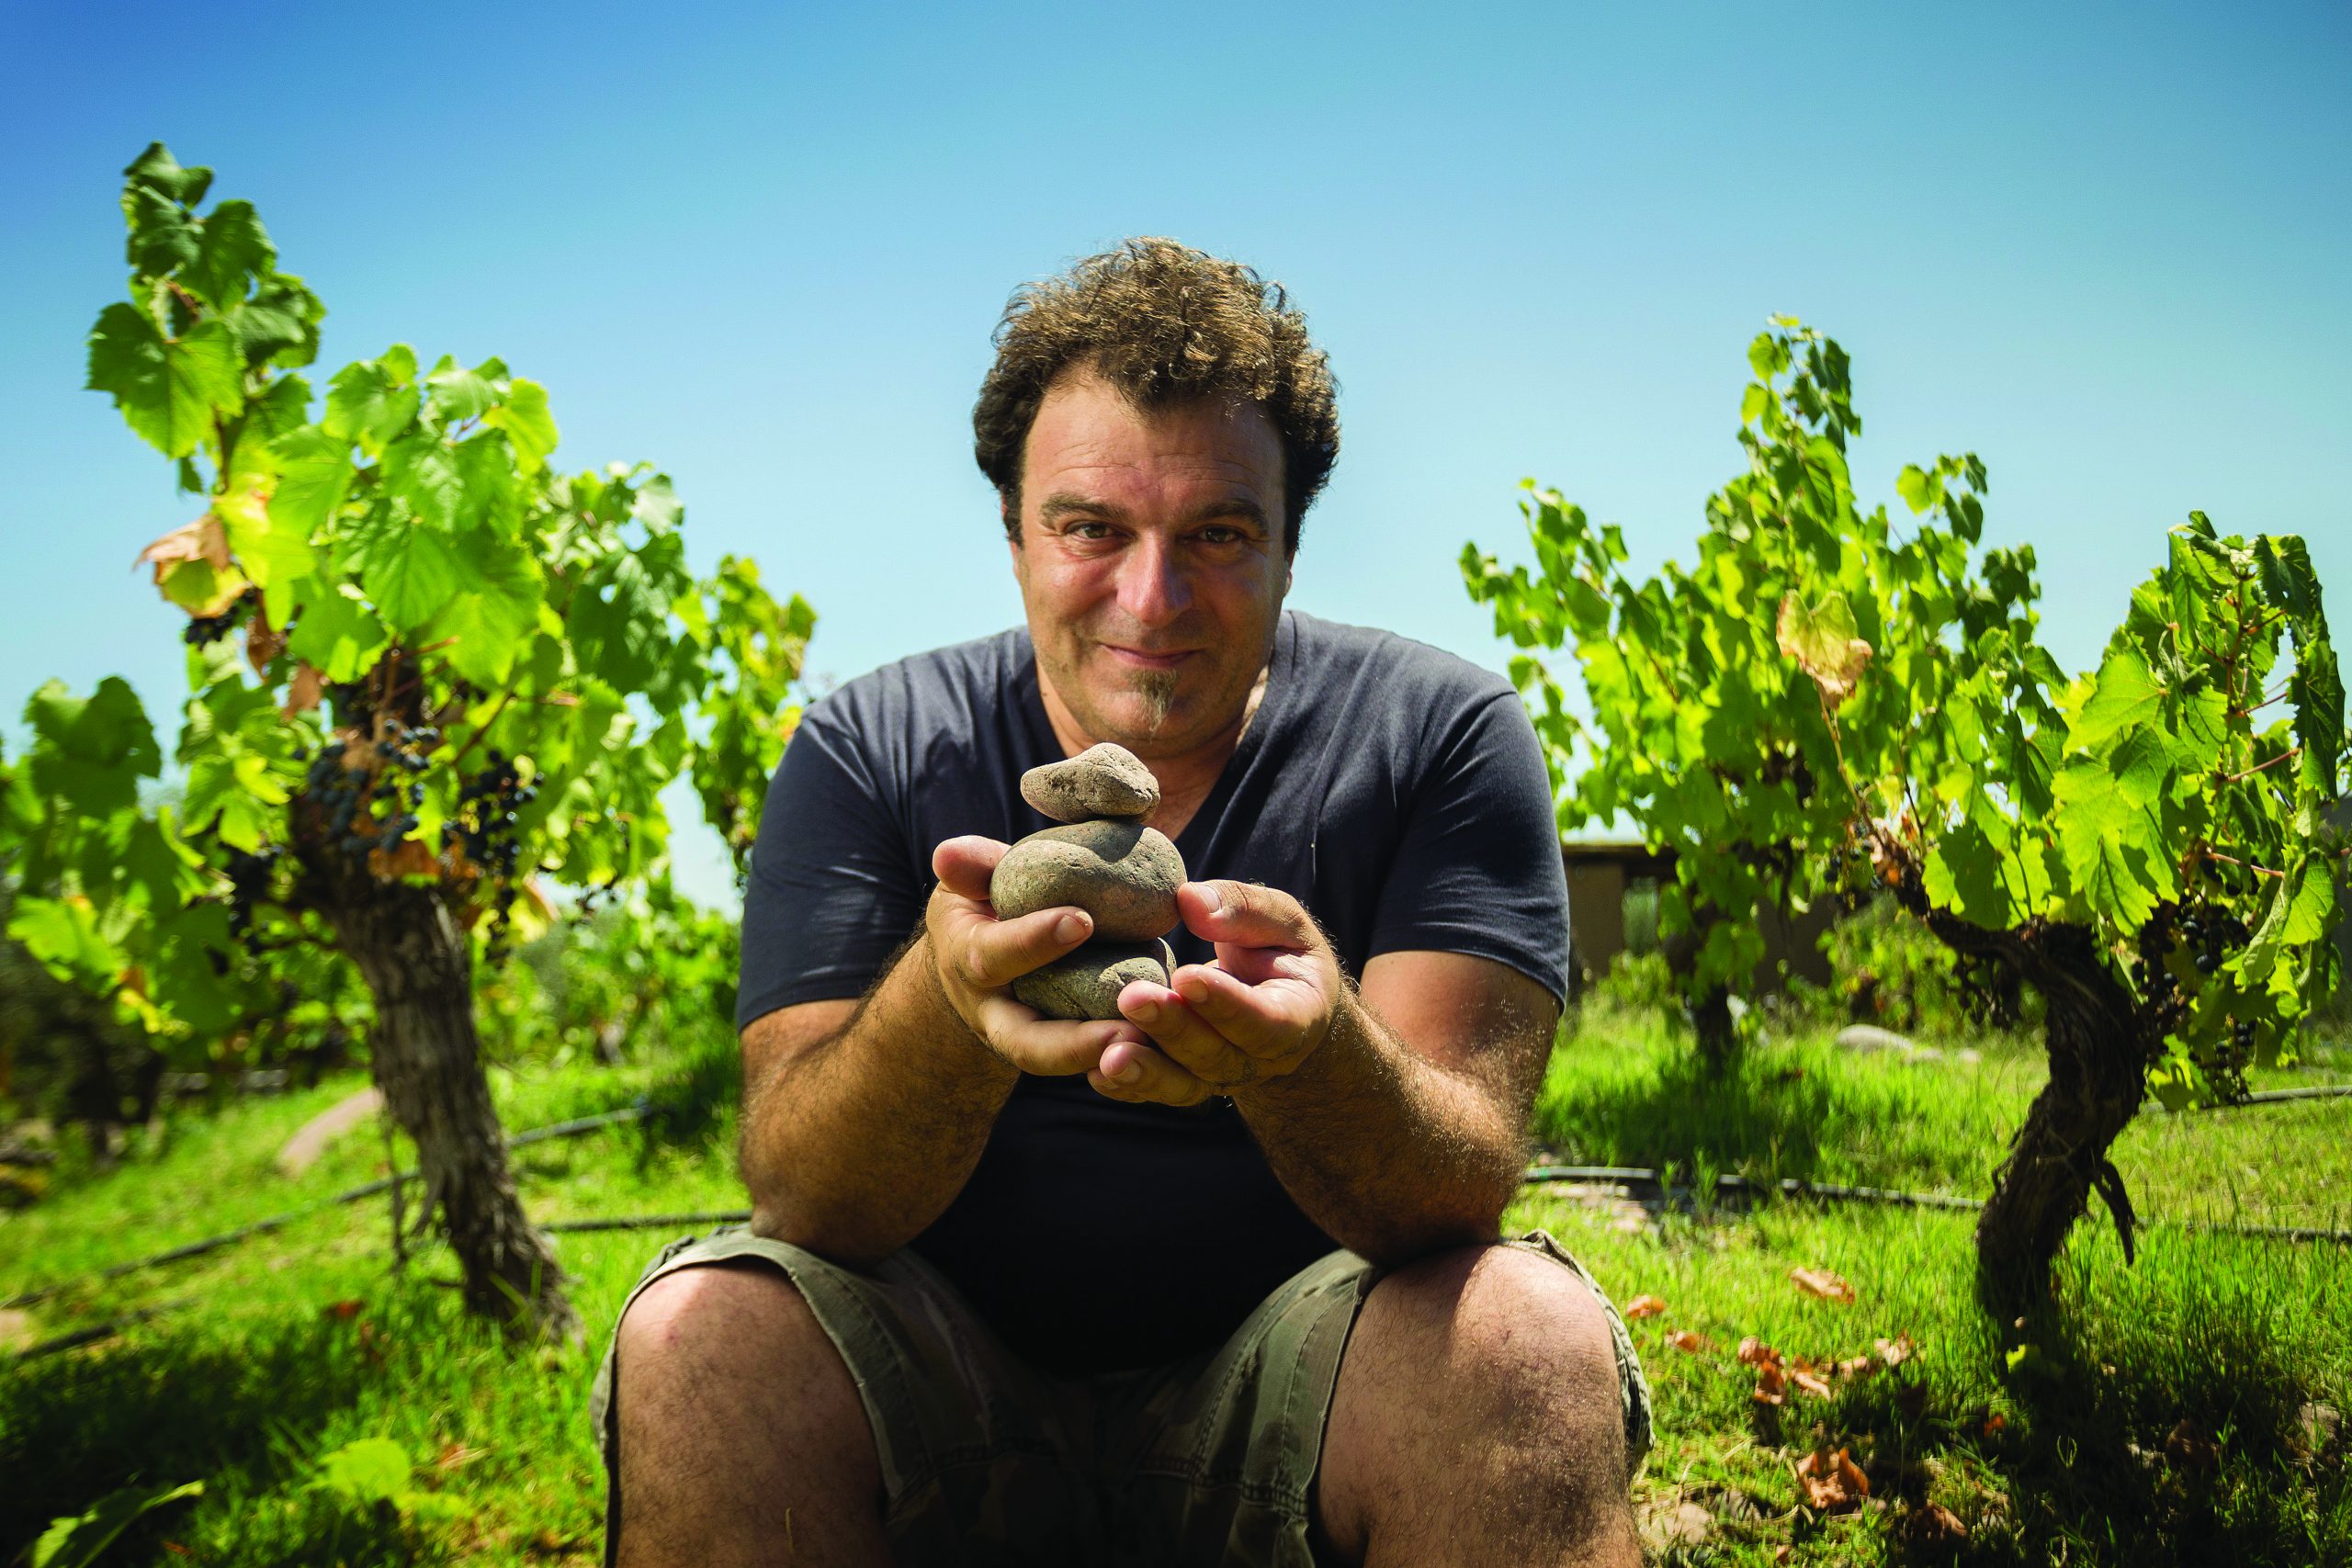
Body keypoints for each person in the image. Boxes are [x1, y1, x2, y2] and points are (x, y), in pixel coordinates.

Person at [593, 239, 1649, 1567]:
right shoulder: (870, 747)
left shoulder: (1437, 733)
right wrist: (949, 1002)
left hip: (1311, 1402)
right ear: (1014, 535)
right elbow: (801, 1202)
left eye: (1219, 533)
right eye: (1091, 528)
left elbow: (1458, 1193)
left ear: (1290, 546)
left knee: (1522, 1336)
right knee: (703, 1341)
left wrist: (1314, 1053)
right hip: (948, 1394)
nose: (1153, 600)